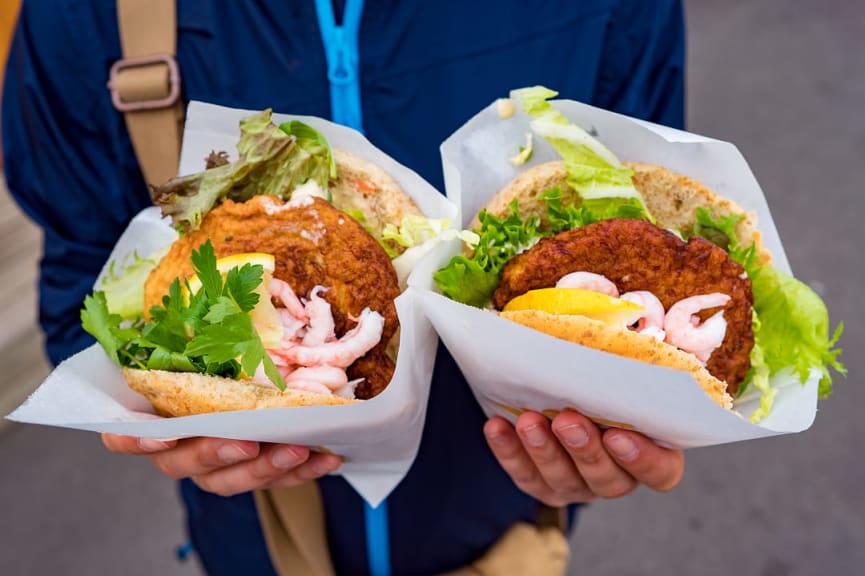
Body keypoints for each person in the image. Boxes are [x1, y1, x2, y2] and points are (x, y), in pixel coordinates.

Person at [3, 1, 686, 574]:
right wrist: (144, 412)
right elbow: (82, 294)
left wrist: (630, 417)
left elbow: (653, 239)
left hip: (508, 534)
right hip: (254, 544)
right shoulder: (88, 14)